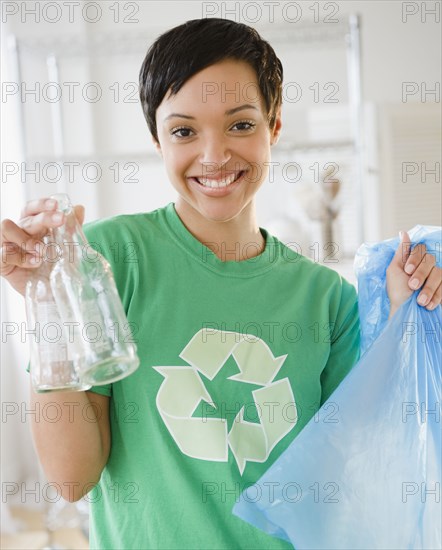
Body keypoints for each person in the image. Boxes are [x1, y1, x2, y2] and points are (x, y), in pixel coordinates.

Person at [1, 18, 440, 550]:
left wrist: (406, 317)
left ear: (274, 126)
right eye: (184, 130)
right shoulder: (108, 261)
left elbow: (362, 472)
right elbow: (72, 478)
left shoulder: (326, 301)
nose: (213, 156)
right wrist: (52, 305)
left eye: (240, 125)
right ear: (157, 139)